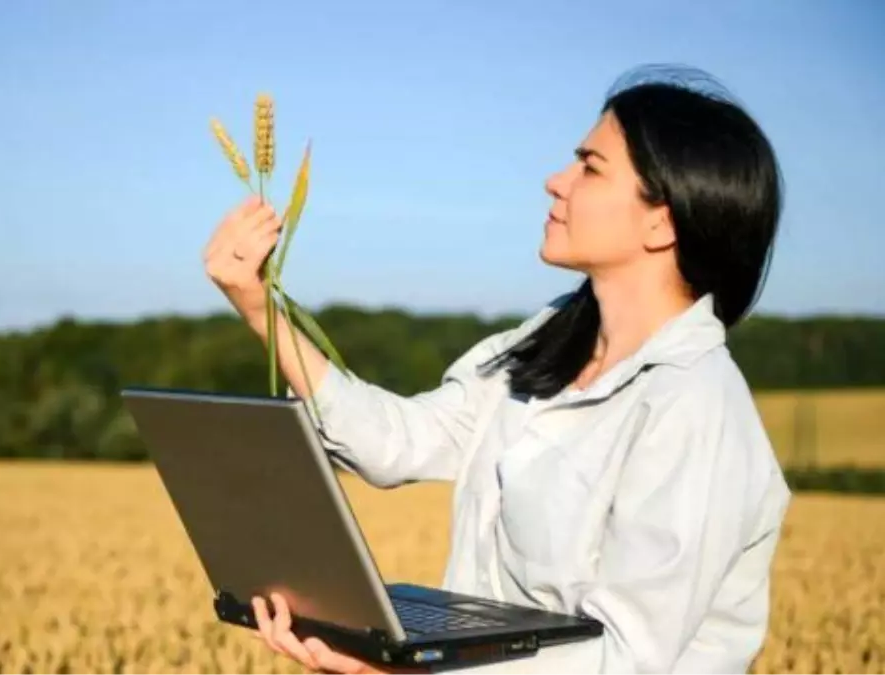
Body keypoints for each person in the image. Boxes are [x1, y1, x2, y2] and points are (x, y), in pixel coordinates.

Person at [202, 65, 792, 674]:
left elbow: (624, 660)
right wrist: (259, 308)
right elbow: (395, 444)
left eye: (589, 168)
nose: (555, 182)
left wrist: (413, 671)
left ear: (662, 220)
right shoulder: (545, 342)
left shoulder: (695, 406)